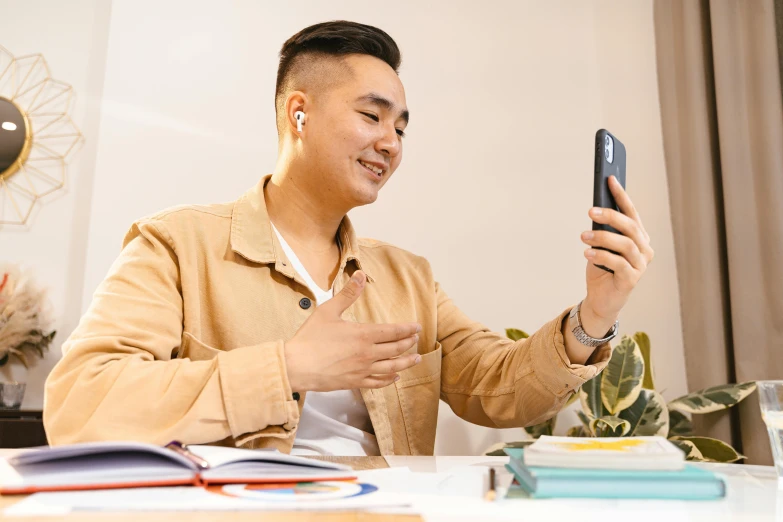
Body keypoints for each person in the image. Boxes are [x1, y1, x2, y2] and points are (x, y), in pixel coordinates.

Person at [44, 20, 653, 456]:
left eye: (401, 127)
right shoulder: (175, 246)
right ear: (298, 114)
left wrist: (596, 314)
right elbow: (80, 404)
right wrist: (285, 368)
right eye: (372, 115)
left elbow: (497, 387)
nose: (391, 141)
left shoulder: (408, 276)